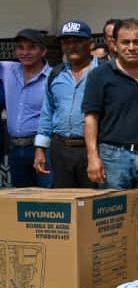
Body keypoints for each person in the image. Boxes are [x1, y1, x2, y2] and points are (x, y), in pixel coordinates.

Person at [83, 19, 138, 276]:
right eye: (125, 42)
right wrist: (93, 157)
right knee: (114, 221)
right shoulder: (100, 75)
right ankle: (116, 276)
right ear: (114, 44)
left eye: (137, 42)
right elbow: (91, 118)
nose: (131, 47)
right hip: (113, 156)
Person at [33, 20, 98, 188]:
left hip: (93, 149)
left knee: (93, 204)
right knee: (64, 204)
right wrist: (40, 148)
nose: (71, 47)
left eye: (77, 42)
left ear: (90, 44)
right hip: (60, 149)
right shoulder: (56, 74)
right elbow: (47, 112)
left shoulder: (103, 72)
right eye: (66, 42)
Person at [1, 29, 53, 187]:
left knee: (48, 200)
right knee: (21, 201)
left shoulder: (53, 76)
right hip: (15, 148)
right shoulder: (8, 69)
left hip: (43, 149)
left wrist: (41, 147)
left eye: (31, 47)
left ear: (43, 51)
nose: (25, 52)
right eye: (20, 47)